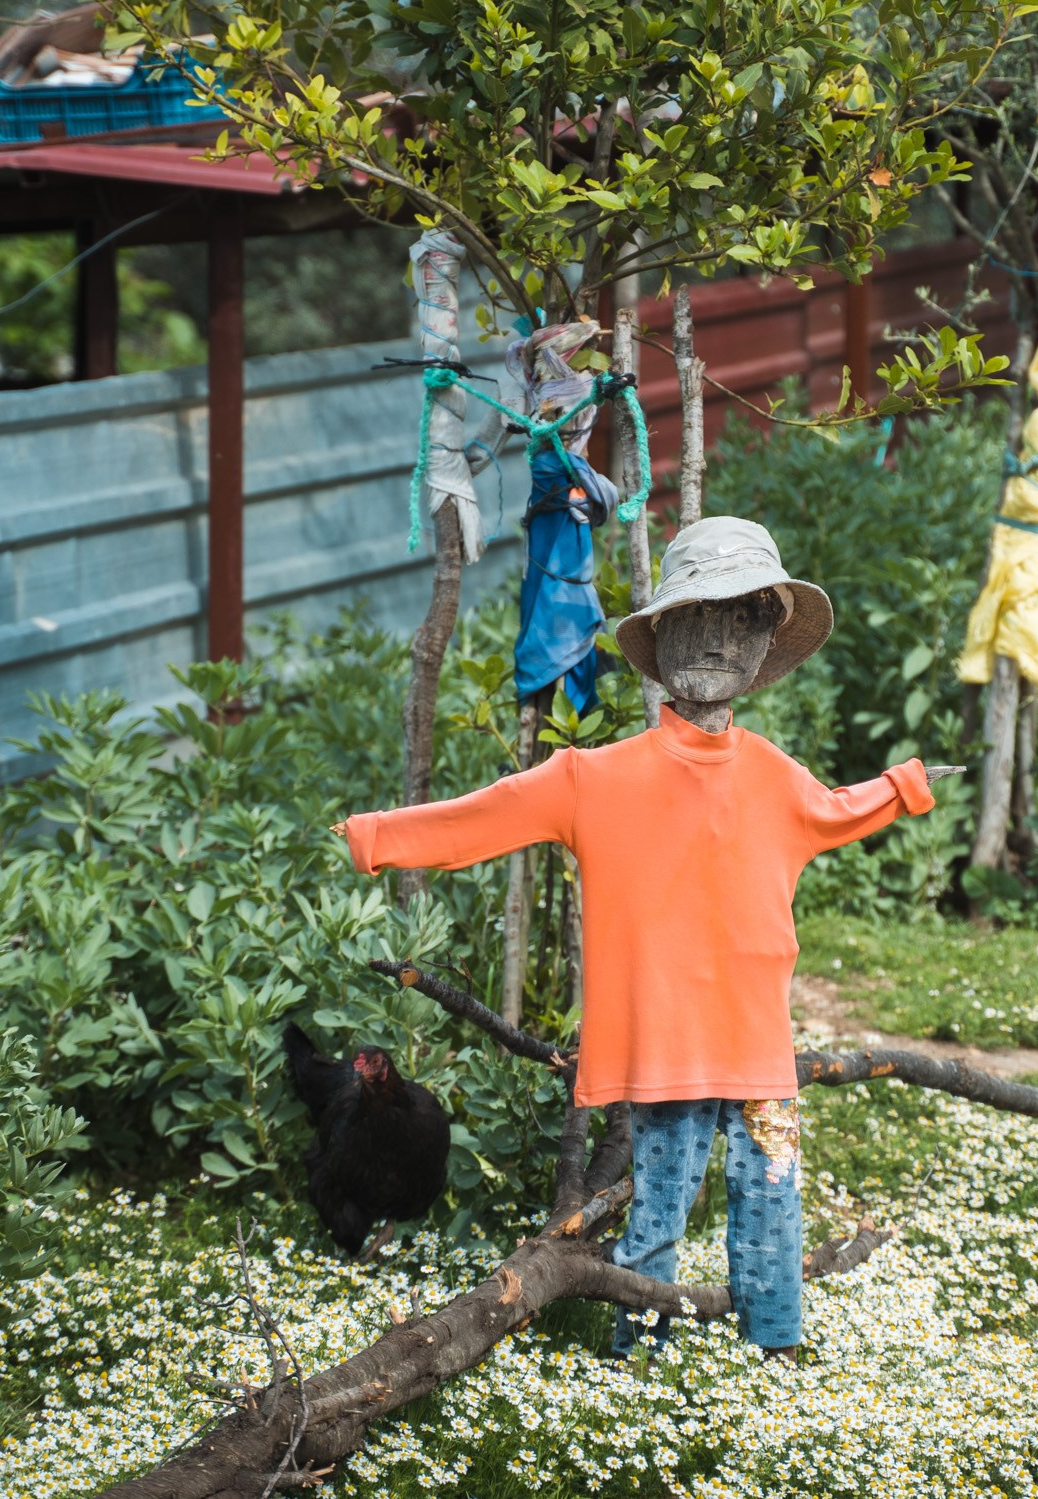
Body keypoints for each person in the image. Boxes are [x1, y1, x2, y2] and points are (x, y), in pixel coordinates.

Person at [340, 515, 953, 1358]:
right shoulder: (593, 778)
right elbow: (485, 815)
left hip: (756, 1037)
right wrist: (377, 835)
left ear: (765, 638)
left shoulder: (773, 773)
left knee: (771, 1192)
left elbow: (839, 807)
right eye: (700, 617)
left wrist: (908, 784)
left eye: (742, 620)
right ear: (662, 637)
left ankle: (774, 1346)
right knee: (660, 1196)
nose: (719, 639)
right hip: (664, 1041)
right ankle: (645, 1348)